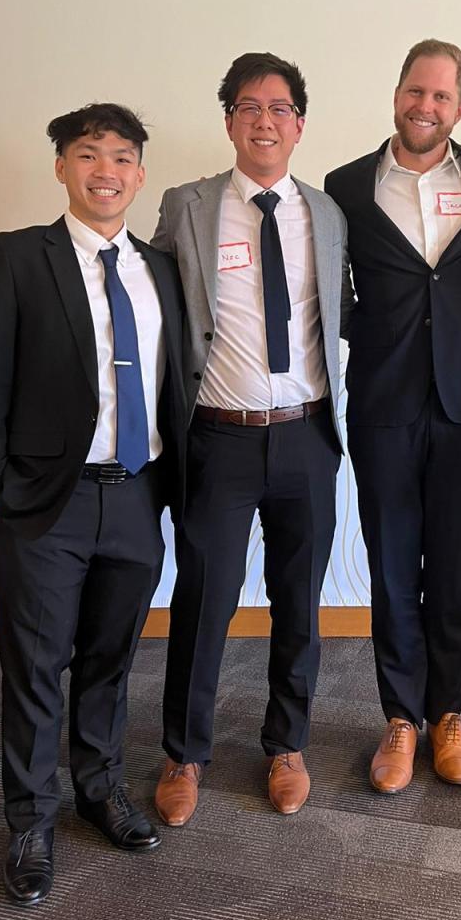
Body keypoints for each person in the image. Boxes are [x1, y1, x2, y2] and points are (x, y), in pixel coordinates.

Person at [0, 103, 187, 905]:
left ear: (139, 175)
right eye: (89, 156)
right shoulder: (17, 257)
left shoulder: (159, 268)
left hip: (136, 495)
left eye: (122, 158)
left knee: (108, 660)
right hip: (43, 503)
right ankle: (29, 819)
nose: (106, 172)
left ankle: (99, 790)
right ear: (62, 166)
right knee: (34, 667)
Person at [151, 52, 347, 826]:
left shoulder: (327, 214)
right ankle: (184, 753)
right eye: (248, 106)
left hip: (305, 437)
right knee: (204, 599)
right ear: (228, 119)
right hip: (220, 440)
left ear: (300, 124)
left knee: (300, 600)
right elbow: (154, 298)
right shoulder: (187, 206)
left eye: (279, 107)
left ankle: (286, 743)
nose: (264, 119)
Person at [324, 40, 461, 794]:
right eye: (414, 91)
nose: (424, 106)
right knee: (394, 562)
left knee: (454, 565)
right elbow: (321, 281)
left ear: (459, 109)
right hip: (384, 401)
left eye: (440, 97)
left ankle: (448, 715)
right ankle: (400, 718)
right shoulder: (346, 186)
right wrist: (367, 333)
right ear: (396, 94)